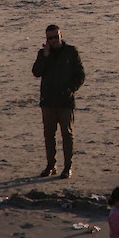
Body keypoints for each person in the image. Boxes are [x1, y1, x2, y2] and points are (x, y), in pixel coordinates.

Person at [32, 24, 85, 178]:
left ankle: (67, 166)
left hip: (65, 101)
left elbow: (80, 75)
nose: (54, 40)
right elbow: (36, 72)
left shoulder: (71, 52)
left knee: (67, 135)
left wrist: (70, 89)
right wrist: (45, 56)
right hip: (48, 101)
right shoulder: (43, 53)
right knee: (49, 135)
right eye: (51, 38)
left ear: (61, 35)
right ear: (47, 39)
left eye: (56, 36)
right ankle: (51, 165)